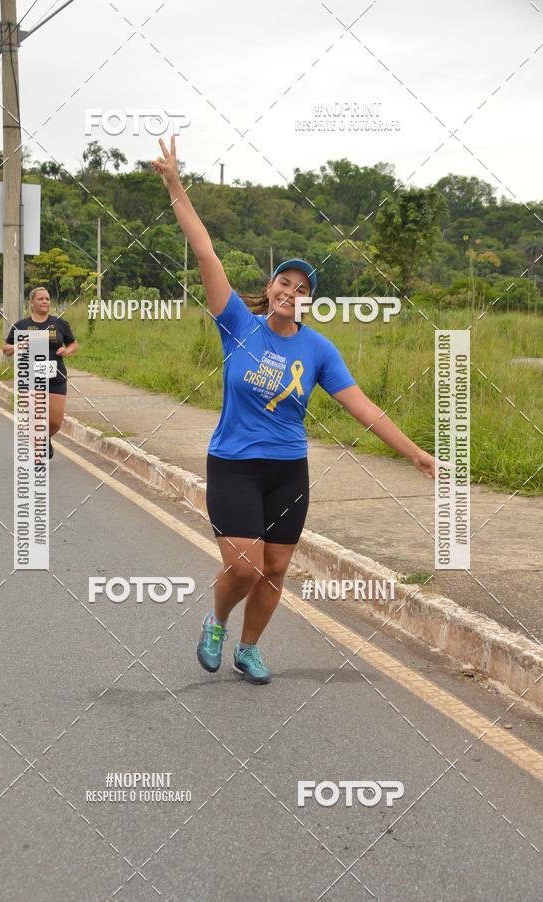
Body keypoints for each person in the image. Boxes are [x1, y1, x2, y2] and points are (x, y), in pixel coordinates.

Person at [151, 136, 436, 685]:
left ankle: (249, 649)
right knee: (244, 565)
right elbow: (206, 252)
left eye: (302, 288)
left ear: (309, 301)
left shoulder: (319, 350)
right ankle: (216, 622)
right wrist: (174, 184)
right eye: (285, 281)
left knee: (276, 568)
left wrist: (417, 454)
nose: (291, 290)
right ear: (270, 286)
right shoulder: (238, 324)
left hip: (288, 469)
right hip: (233, 462)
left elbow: (364, 409)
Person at [2, 287, 78, 459]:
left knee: (56, 422)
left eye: (47, 299)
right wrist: (17, 346)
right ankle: (37, 455)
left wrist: (67, 351)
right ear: (31, 302)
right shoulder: (21, 326)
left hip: (55, 376)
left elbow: (74, 344)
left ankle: (44, 439)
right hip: (30, 377)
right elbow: (5, 349)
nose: (45, 302)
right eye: (41, 299)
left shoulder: (59, 323)